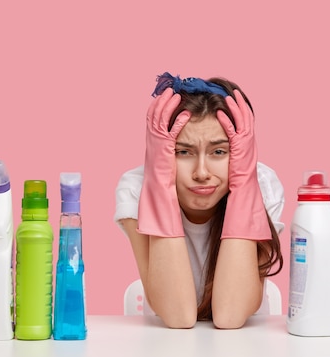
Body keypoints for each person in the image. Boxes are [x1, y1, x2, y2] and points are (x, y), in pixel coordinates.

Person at [114, 72, 284, 329]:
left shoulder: (261, 184)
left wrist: (244, 185)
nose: (202, 173)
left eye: (219, 151)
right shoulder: (137, 189)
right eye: (183, 152)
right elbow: (178, 317)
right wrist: (160, 185)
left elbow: (230, 316)